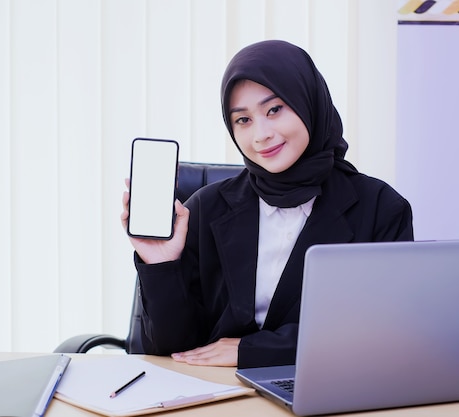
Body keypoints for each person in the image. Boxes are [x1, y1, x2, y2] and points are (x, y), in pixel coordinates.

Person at [121, 40, 414, 369]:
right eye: (243, 120)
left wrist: (255, 350)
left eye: (274, 110)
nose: (260, 134)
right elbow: (168, 349)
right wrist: (161, 263)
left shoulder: (380, 209)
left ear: (308, 102)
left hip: (327, 388)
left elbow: (380, 334)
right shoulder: (205, 209)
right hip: (217, 394)